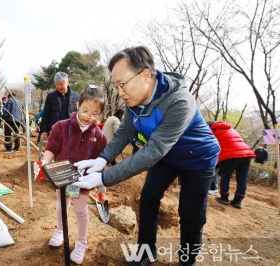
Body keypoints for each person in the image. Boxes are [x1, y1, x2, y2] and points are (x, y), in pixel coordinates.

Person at [73, 46, 220, 266]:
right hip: (168, 156)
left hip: (197, 158)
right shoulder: (134, 103)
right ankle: (146, 252)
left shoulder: (180, 101)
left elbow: (154, 150)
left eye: (122, 84)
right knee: (149, 197)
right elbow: (125, 131)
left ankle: (187, 261)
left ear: (145, 75)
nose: (120, 92)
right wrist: (102, 159)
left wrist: (103, 177)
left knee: (190, 214)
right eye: (116, 86)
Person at [33, 85, 108, 264]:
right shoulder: (61, 127)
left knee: (81, 210)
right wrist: (45, 162)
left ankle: (82, 241)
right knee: (61, 205)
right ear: (77, 105)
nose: (88, 116)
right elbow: (51, 148)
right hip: (62, 176)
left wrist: (95, 179)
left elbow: (100, 162)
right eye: (85, 110)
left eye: (94, 113)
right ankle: (60, 230)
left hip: (82, 181)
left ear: (101, 114)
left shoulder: (100, 136)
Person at [207, 121, 256, 209]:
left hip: (232, 155)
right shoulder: (231, 129)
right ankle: (237, 201)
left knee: (225, 176)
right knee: (242, 179)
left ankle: (224, 198)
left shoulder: (213, 130)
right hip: (246, 154)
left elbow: (209, 145)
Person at [39, 72, 80, 142]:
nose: (59, 87)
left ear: (67, 82)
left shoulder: (76, 96)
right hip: (54, 130)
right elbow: (46, 114)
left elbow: (79, 114)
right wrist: (44, 130)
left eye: (61, 84)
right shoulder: (51, 96)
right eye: (57, 84)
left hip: (71, 130)